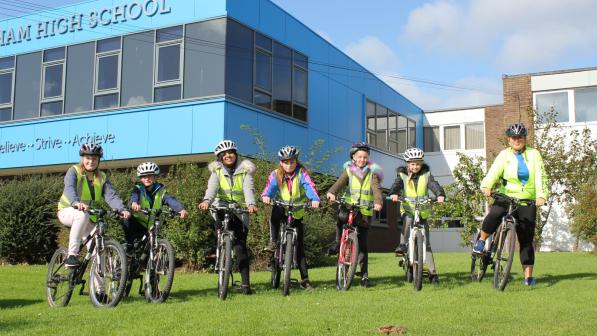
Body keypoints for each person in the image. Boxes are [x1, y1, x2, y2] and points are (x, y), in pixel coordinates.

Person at [473, 122, 547, 286]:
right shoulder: (504, 155)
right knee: (495, 214)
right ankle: (481, 240)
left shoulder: (534, 154)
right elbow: (494, 172)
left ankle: (528, 277)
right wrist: (487, 185)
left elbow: (541, 176)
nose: (517, 140)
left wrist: (541, 195)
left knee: (526, 239)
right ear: (509, 140)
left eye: (520, 137)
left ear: (525, 138)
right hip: (506, 196)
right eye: (513, 137)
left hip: (526, 200)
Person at [57, 143, 131, 268]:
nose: (91, 161)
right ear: (82, 158)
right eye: (88, 158)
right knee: (81, 215)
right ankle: (72, 255)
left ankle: (99, 288)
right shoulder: (74, 171)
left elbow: (111, 196)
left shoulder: (102, 177)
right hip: (67, 211)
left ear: (98, 161)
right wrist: (75, 202)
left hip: (88, 216)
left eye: (95, 159)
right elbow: (69, 188)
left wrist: (122, 209)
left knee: (98, 251)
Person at [199, 140, 257, 295]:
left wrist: (251, 204)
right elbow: (212, 188)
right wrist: (206, 201)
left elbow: (248, 189)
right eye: (224, 154)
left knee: (240, 248)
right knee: (218, 232)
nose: (228, 156)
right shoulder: (216, 171)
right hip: (221, 207)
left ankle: (245, 285)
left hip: (239, 210)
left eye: (230, 153)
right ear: (220, 158)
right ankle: (219, 249)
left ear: (235, 154)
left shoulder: (245, 170)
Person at [262, 145, 320, 289]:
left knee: (299, 246)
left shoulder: (302, 173)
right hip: (282, 207)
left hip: (297, 210)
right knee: (275, 212)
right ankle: (273, 241)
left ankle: (305, 279)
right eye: (286, 162)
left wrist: (315, 199)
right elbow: (269, 188)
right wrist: (266, 196)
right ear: (281, 162)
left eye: (292, 162)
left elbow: (309, 186)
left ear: (296, 161)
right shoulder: (276, 174)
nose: (289, 165)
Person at [326, 142, 383, 288]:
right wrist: (332, 192)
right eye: (359, 157)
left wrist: (378, 202)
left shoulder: (372, 173)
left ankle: (364, 276)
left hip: (364, 212)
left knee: (363, 245)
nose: (362, 159)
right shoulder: (349, 170)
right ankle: (338, 241)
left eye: (365, 157)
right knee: (340, 218)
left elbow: (376, 189)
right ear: (353, 157)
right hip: (349, 206)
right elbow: (340, 183)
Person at [389, 147, 445, 285]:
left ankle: (433, 273)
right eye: (412, 164)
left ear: (421, 164)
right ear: (407, 164)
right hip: (408, 208)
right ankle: (402, 245)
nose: (415, 167)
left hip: (422, 211)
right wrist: (394, 193)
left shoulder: (426, 174)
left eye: (418, 164)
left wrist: (440, 194)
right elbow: (396, 185)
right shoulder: (402, 175)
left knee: (427, 244)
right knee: (407, 221)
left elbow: (433, 185)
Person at [124, 162, 188, 251]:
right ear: (140, 178)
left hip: (152, 225)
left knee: (150, 249)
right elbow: (134, 196)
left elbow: (170, 199)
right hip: (138, 223)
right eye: (144, 176)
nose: (147, 179)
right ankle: (129, 245)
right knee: (127, 219)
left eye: (150, 176)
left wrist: (180, 209)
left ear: (154, 177)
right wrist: (134, 203)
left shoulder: (161, 190)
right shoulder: (137, 188)